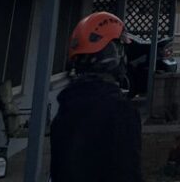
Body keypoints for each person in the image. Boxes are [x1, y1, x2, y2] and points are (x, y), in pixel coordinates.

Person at [50, 12, 142, 182]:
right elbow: (128, 173)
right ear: (112, 55)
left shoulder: (65, 110)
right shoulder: (120, 112)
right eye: (121, 50)